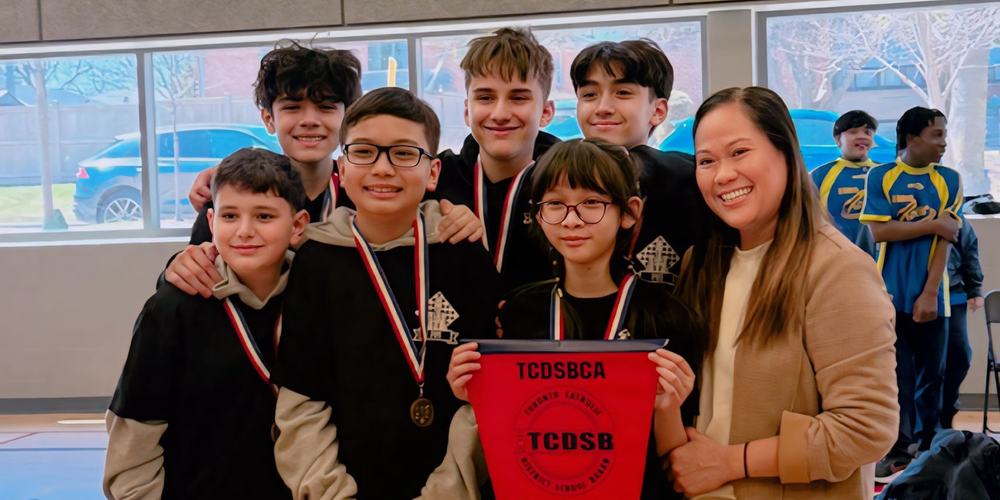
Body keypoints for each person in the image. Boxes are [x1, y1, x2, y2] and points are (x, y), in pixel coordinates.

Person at [424, 139, 705, 499]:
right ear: (538, 215)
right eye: (555, 204)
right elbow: (510, 431)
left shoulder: (667, 317)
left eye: (591, 203)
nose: (572, 220)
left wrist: (667, 408)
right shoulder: (518, 312)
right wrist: (475, 396)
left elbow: (678, 463)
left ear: (629, 212)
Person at [272, 87, 502, 500]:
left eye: (403, 153)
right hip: (344, 485)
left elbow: (485, 395)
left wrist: (448, 491)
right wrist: (332, 493)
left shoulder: (462, 250)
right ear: (341, 168)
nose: (382, 168)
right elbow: (303, 398)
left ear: (433, 173)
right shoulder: (316, 259)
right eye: (364, 152)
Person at [670, 87, 898, 499]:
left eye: (739, 152)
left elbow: (866, 428)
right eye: (706, 161)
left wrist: (730, 461)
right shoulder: (700, 264)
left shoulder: (836, 268)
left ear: (786, 155)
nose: (722, 175)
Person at [167, 41, 481, 298]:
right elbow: (196, 267)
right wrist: (179, 265)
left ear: (348, 117)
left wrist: (463, 215)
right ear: (268, 119)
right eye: (292, 107)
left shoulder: (374, 192)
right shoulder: (235, 196)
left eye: (326, 107)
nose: (309, 120)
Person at [103, 148, 309, 499]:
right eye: (230, 216)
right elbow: (137, 427)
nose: (245, 231)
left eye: (264, 216)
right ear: (211, 223)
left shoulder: (315, 301)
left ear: (298, 225)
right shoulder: (172, 308)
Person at [861, 107, 963, 479]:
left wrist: (930, 293)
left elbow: (946, 240)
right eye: (936, 135)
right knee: (895, 374)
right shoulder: (880, 176)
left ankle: (930, 446)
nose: (944, 142)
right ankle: (897, 447)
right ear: (911, 138)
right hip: (887, 294)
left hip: (932, 294)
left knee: (932, 375)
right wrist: (933, 222)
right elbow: (878, 232)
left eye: (944, 134)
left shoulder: (949, 179)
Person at [571, 40, 714, 288]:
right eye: (589, 95)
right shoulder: (556, 179)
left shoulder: (690, 181)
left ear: (657, 111)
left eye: (623, 93)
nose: (603, 107)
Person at [432, 26, 560, 290]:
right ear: (467, 111)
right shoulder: (435, 178)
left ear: (546, 112)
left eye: (518, 97)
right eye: (486, 97)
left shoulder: (572, 184)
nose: (500, 113)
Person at [809, 110, 880, 247]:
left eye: (868, 133)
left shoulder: (885, 173)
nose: (862, 137)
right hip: (836, 255)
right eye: (854, 132)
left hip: (879, 260)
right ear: (837, 139)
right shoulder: (820, 175)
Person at [942, 223, 985, 430]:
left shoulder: (957, 218)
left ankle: (947, 413)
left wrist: (975, 289)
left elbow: (969, 251)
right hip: (914, 296)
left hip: (953, 293)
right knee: (925, 363)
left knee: (960, 354)